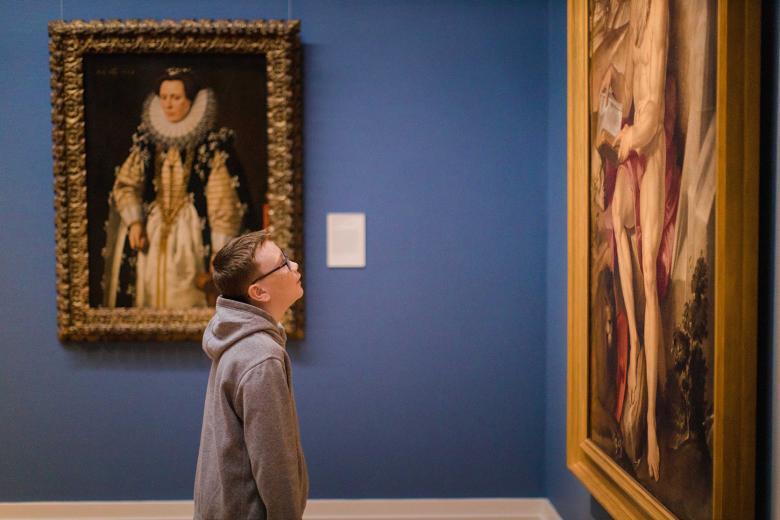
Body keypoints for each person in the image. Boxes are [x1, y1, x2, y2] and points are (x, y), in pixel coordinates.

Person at [599, 0, 678, 481]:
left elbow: (650, 117)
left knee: (649, 272)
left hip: (653, 144)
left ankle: (650, 424)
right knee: (615, 220)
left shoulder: (660, 9)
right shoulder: (634, 20)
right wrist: (611, 96)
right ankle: (640, 366)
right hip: (633, 145)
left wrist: (632, 136)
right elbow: (626, 106)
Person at [102, 67, 256, 309]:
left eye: (176, 98)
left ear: (191, 100)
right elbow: (127, 182)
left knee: (187, 294)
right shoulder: (148, 142)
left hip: (191, 237)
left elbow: (222, 200)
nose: (168, 104)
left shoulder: (211, 145)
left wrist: (218, 251)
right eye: (163, 97)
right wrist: (134, 222)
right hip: (151, 234)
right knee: (148, 294)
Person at [194, 230, 308, 519]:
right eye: (283, 262)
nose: (294, 265)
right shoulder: (261, 356)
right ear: (258, 292)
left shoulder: (237, 340)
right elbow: (273, 461)